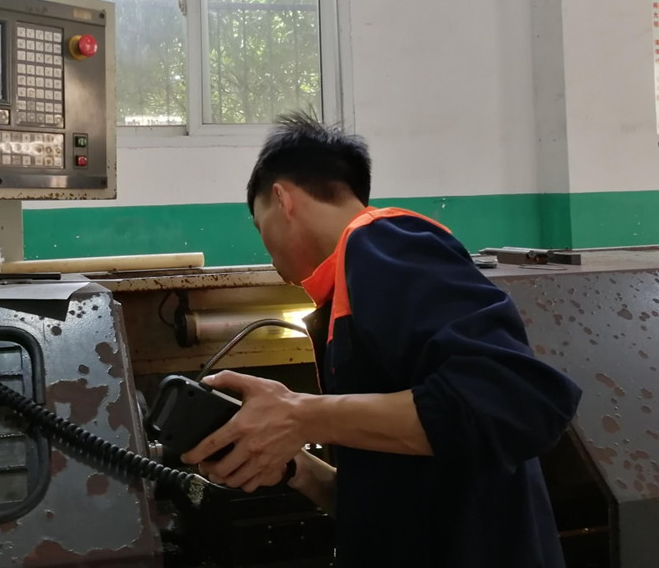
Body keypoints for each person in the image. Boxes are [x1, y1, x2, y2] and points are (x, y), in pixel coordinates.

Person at [181, 111, 582, 568]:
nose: (266, 247)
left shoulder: (384, 242)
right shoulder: (348, 289)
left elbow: (518, 401)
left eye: (259, 225)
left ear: (282, 199)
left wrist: (299, 416)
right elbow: (384, 505)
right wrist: (296, 466)